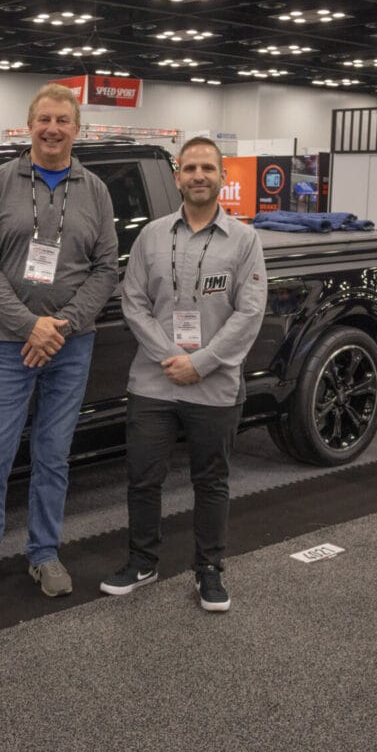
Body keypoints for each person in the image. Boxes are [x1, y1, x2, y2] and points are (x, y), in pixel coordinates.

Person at [0, 83, 118, 605]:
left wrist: (61, 326)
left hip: (72, 345)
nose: (52, 129)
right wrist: (30, 327)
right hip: (8, 344)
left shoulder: (94, 189)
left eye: (62, 121)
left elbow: (106, 267)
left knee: (53, 456)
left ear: (76, 129)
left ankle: (44, 554)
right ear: (29, 125)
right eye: (44, 119)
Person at [99, 137, 267, 612]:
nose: (198, 175)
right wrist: (169, 355)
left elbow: (250, 312)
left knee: (211, 481)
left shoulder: (245, 240)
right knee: (142, 478)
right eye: (190, 167)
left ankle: (209, 570)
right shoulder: (151, 236)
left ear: (221, 177)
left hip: (214, 385)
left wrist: (202, 362)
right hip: (153, 382)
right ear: (177, 177)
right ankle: (142, 561)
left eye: (207, 169)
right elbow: (133, 302)